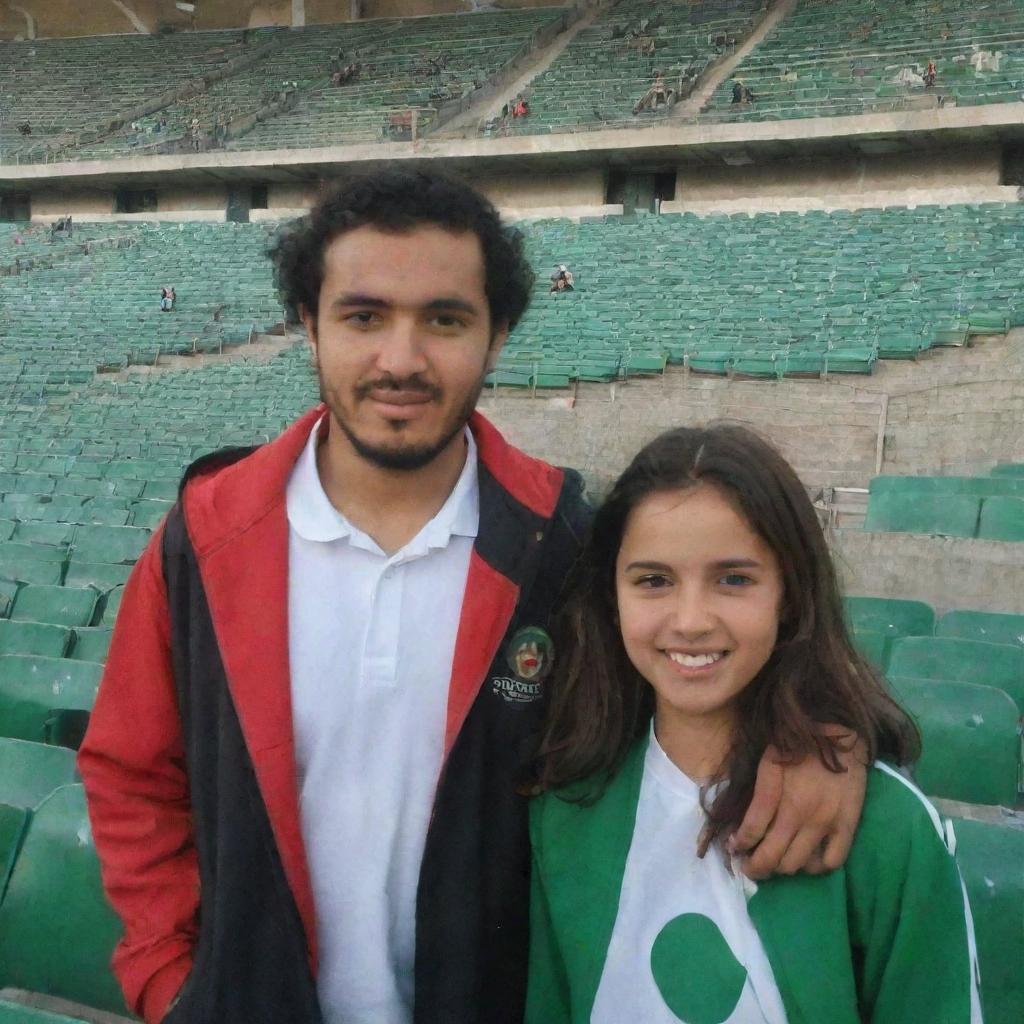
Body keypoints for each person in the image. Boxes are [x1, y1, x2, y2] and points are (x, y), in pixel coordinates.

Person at [79, 171, 868, 1024]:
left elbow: (693, 685)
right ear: (308, 323)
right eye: (364, 316)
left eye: (445, 320)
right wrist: (174, 983)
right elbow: (131, 775)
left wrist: (816, 730)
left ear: (498, 336)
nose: (402, 360)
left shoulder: (562, 542)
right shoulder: (205, 535)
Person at [527, 425, 983, 1024]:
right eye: (653, 580)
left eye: (734, 579)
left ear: (788, 594)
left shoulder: (886, 830)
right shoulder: (566, 806)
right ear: (612, 598)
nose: (690, 620)